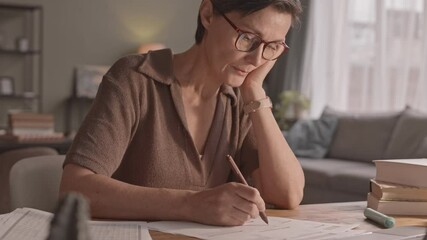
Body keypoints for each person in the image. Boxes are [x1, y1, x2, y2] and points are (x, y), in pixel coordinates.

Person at [60, 0, 305, 226]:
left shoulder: (241, 100)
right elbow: (74, 190)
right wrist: (190, 204)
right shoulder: (135, 79)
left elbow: (288, 195)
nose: (255, 59)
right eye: (248, 38)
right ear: (208, 15)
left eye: (271, 47)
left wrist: (254, 91)